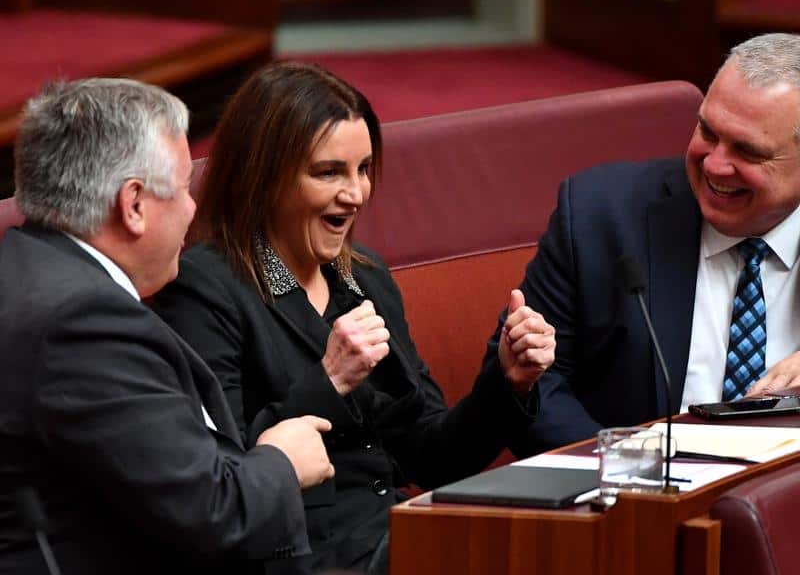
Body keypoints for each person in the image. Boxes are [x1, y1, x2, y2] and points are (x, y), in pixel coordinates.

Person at [153, 62, 556, 573]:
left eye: (363, 169)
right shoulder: (203, 286)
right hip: (298, 552)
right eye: (329, 172)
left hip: (395, 533)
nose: (356, 192)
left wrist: (508, 380)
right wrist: (329, 379)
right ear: (265, 176)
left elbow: (431, 457)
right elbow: (222, 475)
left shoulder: (364, 278)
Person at [0, 78, 335, 575]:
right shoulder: (83, 323)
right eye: (181, 188)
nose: (192, 208)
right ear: (133, 204)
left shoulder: (25, 266)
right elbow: (207, 511)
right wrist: (282, 463)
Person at [482, 32, 800, 454]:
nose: (714, 164)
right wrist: (627, 466)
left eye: (748, 151)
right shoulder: (601, 217)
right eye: (707, 130)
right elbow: (533, 385)